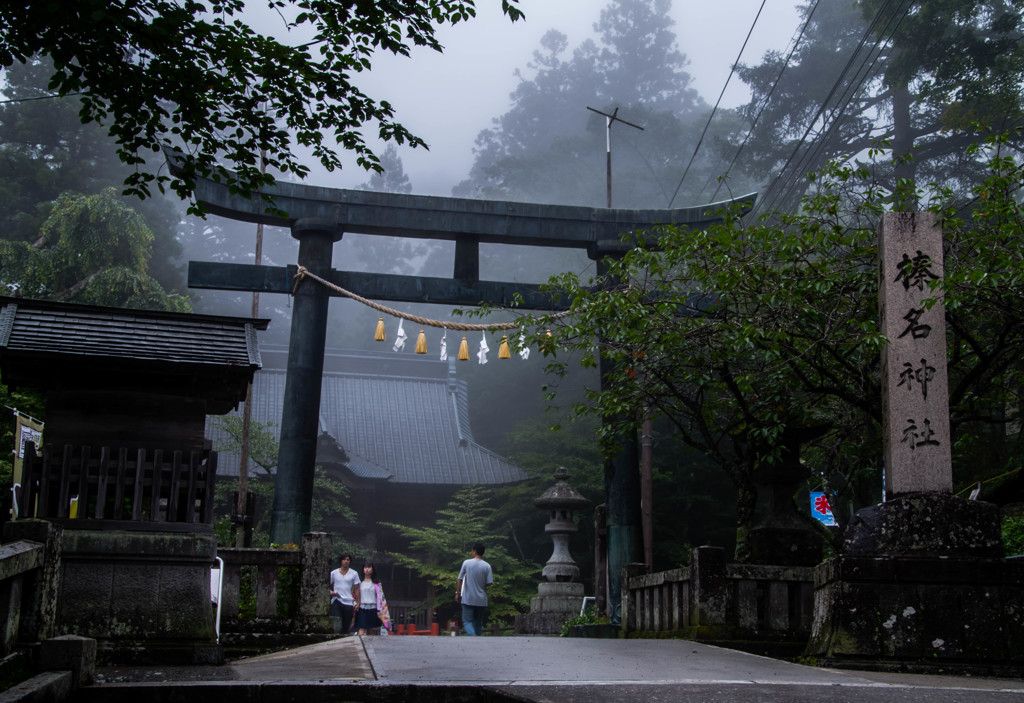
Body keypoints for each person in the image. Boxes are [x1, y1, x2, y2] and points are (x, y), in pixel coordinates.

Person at [455, 542, 493, 636]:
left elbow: (460, 579)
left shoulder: (467, 563)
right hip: (481, 599)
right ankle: (478, 640)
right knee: (478, 622)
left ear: (475, 551)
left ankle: (474, 637)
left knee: (467, 621)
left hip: (468, 598)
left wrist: (457, 593)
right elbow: (489, 583)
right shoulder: (487, 566)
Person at [354, 562, 391, 635]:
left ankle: (370, 645)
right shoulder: (359, 582)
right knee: (361, 627)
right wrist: (356, 604)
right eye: (365, 567)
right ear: (363, 570)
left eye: (369, 567)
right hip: (362, 607)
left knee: (370, 629)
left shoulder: (377, 583)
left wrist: (381, 608)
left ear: (372, 569)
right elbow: (355, 594)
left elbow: (381, 597)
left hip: (373, 607)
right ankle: (358, 643)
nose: (367, 569)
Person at [328, 554, 360, 635]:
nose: (346, 561)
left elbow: (357, 589)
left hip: (348, 601)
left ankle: (343, 638)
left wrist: (358, 603)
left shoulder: (354, 573)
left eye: (348, 560)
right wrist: (331, 592)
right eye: (344, 559)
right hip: (337, 600)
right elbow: (326, 585)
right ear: (341, 561)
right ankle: (335, 636)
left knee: (346, 624)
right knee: (336, 620)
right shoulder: (334, 573)